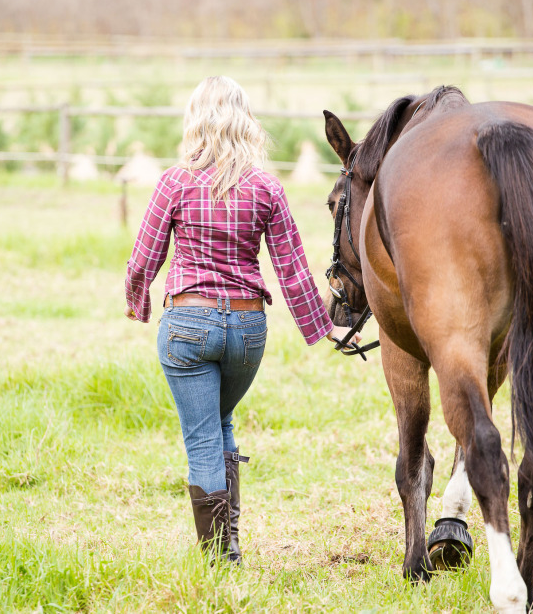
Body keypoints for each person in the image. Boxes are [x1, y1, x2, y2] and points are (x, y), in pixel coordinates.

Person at [124, 75, 358, 564]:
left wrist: (137, 301)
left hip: (188, 328)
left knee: (203, 436)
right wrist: (324, 328)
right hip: (248, 333)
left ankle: (218, 560)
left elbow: (144, 259)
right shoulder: (266, 187)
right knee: (221, 420)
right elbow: (292, 269)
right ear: (245, 122)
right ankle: (228, 541)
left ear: (195, 122)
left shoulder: (174, 182)